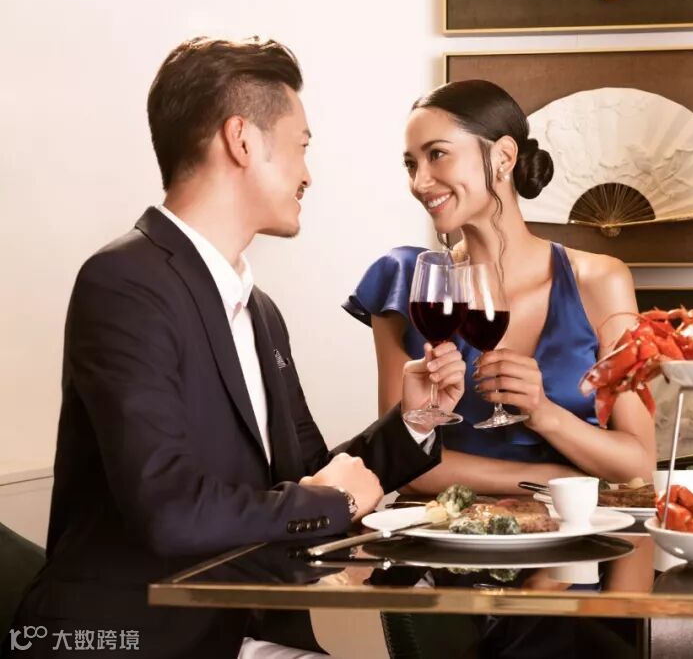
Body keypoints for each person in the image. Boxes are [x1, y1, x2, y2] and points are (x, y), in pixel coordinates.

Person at [11, 38, 466, 658]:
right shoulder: (123, 283)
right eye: (302, 146)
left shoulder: (260, 311)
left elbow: (304, 478)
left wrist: (413, 423)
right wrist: (334, 501)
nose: (308, 174)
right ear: (242, 140)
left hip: (240, 632)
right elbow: (169, 509)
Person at [345, 79, 656, 495]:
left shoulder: (600, 281)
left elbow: (639, 465)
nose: (420, 182)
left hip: (579, 531)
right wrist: (554, 481)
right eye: (410, 164)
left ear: (503, 157)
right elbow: (402, 463)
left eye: (437, 154)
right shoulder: (406, 283)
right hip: (443, 530)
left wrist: (544, 413)